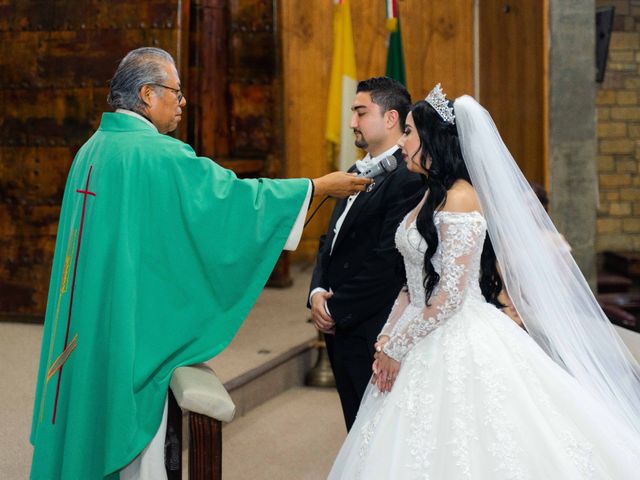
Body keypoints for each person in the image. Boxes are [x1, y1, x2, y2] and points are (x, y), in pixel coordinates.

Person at [28, 47, 370, 480]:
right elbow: (231, 202)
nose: (182, 102)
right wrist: (317, 186)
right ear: (148, 95)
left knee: (85, 410)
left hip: (90, 318)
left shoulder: (94, 149)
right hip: (127, 332)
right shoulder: (156, 155)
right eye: (176, 91)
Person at [328, 85, 640, 478]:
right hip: (420, 328)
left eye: (409, 132)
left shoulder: (461, 197)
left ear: (434, 140)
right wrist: (387, 338)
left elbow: (451, 296)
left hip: (456, 332)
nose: (403, 141)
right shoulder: (427, 195)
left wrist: (399, 345)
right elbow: (411, 283)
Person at [308, 77, 422, 430]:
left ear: (390, 119)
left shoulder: (409, 177)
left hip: (372, 324)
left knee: (375, 430)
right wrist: (315, 292)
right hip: (340, 324)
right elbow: (331, 239)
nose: (352, 122)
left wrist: (336, 308)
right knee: (354, 429)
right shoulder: (355, 170)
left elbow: (388, 260)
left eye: (360, 112)